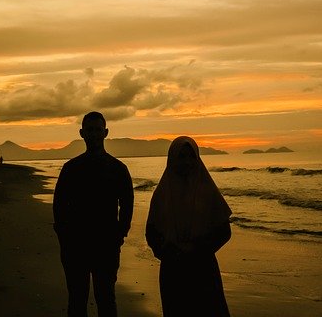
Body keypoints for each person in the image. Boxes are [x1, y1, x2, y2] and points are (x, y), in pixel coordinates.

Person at [53, 111, 134, 317]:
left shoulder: (118, 169)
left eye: (98, 130)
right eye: (90, 130)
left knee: (106, 298)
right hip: (75, 246)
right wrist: (64, 238)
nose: (94, 134)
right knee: (77, 300)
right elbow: (59, 207)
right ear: (82, 133)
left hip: (106, 246)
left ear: (106, 132)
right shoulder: (71, 169)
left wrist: (120, 234)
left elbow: (127, 204)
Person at [145, 136, 232, 317]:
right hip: (173, 269)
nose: (186, 162)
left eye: (191, 157)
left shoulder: (207, 190)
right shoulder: (162, 193)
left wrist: (197, 248)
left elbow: (224, 231)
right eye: (181, 156)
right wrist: (170, 251)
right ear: (172, 159)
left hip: (203, 268)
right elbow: (151, 232)